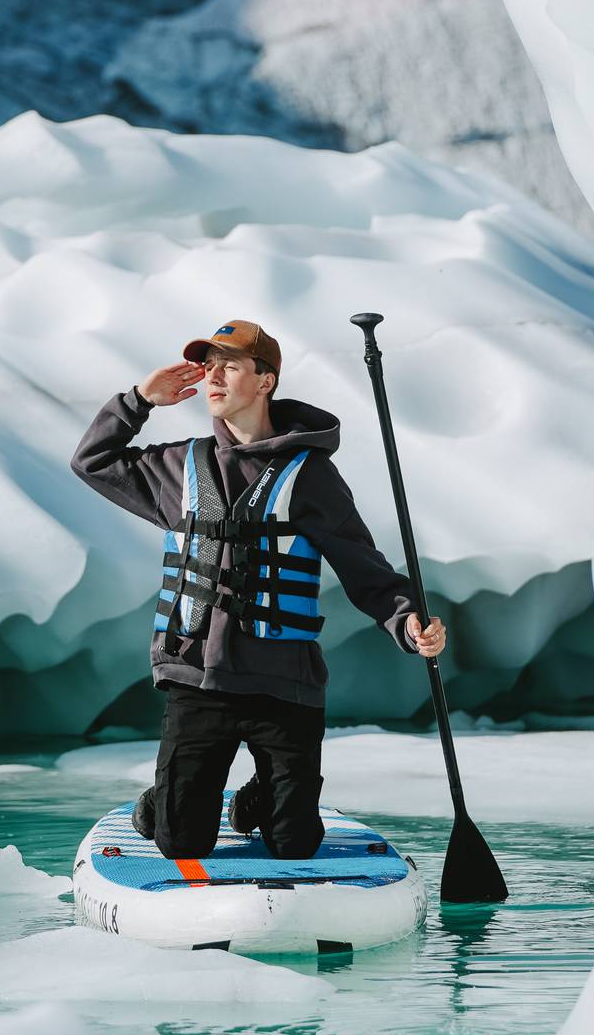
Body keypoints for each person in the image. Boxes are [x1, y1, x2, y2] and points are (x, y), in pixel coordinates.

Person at [70, 318, 446, 862]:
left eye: (231, 366)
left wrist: (409, 620)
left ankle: (258, 804)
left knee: (295, 844)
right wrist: (138, 400)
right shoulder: (181, 466)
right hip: (196, 678)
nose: (213, 377)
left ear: (265, 380)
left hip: (284, 683)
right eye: (208, 365)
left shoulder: (311, 476)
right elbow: (93, 461)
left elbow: (366, 568)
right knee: (183, 842)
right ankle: (163, 804)